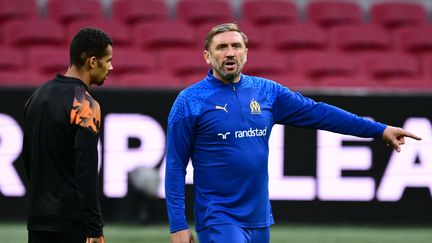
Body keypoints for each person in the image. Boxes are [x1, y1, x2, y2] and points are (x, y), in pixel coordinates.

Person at [165, 23, 422, 243]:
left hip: (259, 218)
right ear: (207, 56)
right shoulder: (189, 101)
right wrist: (178, 224)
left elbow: (320, 113)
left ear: (246, 53)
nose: (230, 53)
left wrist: (379, 130)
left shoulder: (267, 92)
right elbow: (176, 166)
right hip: (218, 218)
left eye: (236, 46)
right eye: (222, 47)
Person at [22, 27, 113, 243]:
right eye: (107, 60)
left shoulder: (35, 96)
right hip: (72, 224)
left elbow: (27, 158)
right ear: (92, 61)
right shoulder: (85, 105)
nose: (111, 67)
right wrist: (94, 227)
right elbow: (86, 170)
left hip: (37, 221)